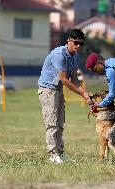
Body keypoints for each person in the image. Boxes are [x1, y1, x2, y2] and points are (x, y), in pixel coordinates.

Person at [38, 29, 92, 164]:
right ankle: (52, 155)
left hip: (58, 89)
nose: (78, 46)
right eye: (76, 43)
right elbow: (64, 79)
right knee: (52, 123)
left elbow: (74, 79)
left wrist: (84, 92)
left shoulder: (75, 56)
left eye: (81, 44)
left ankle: (60, 154)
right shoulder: (59, 54)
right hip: (48, 90)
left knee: (60, 122)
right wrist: (83, 93)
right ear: (69, 41)